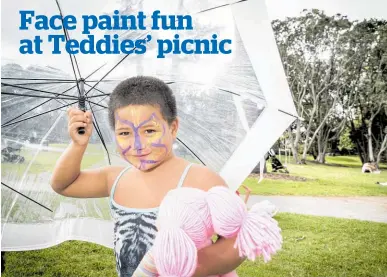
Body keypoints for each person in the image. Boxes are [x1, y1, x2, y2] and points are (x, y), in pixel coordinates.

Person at [50, 76, 245, 277]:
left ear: (173, 127)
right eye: (125, 133)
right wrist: (78, 145)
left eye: (149, 130)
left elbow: (235, 241)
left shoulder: (200, 179)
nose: (137, 144)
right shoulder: (115, 178)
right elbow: (64, 185)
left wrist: (189, 268)